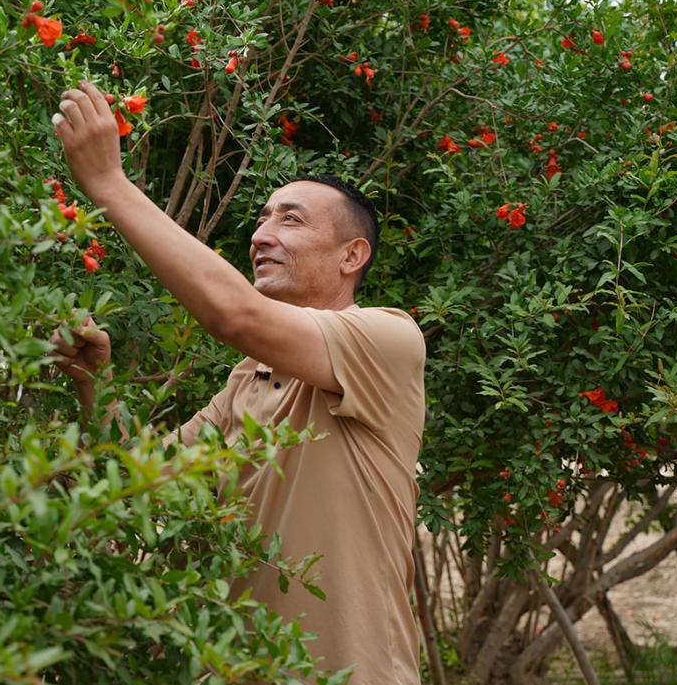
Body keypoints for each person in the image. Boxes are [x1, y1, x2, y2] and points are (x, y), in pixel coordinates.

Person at [50, 81, 425, 685]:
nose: (260, 235)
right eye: (261, 219)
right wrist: (96, 384)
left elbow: (234, 315)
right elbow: (138, 481)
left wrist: (109, 184)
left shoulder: (386, 341)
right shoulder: (248, 380)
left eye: (291, 220)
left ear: (352, 256)